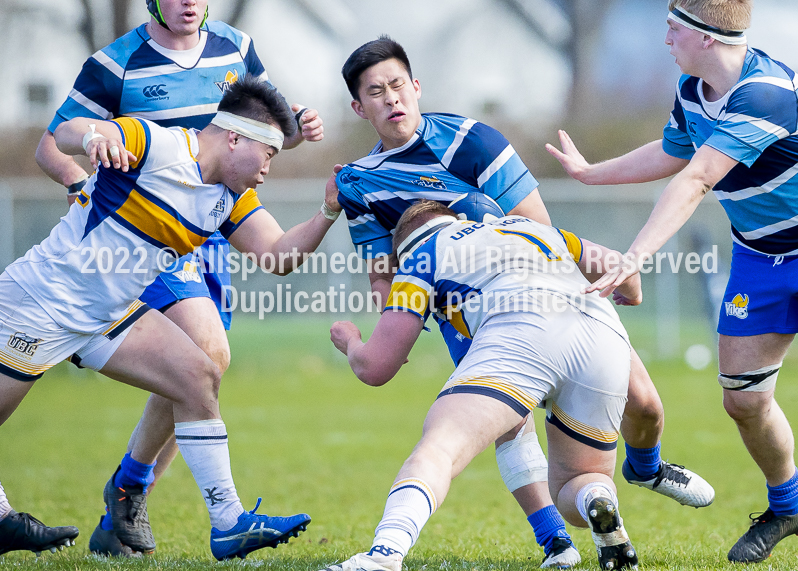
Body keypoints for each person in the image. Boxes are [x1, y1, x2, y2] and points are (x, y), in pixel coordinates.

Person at [334, 36, 713, 567]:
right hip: (532, 289)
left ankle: (645, 468)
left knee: (643, 404)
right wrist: (406, 313)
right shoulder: (356, 182)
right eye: (376, 92)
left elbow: (536, 222)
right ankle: (557, 540)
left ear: (416, 86)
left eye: (398, 85)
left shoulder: (471, 139)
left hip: (526, 291)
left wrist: (367, 335)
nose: (392, 98)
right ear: (360, 107)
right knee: (510, 424)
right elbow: (382, 272)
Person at [0, 75, 341, 561]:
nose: (268, 170)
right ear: (235, 137)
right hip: (39, 302)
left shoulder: (230, 196)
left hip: (109, 316)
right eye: (268, 156)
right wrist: (96, 137)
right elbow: (66, 131)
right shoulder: (156, 143)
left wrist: (327, 211)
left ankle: (228, 522)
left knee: (198, 373)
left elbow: (277, 255)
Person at [546, 0, 798, 563]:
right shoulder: (693, 91)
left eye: (674, 26)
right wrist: (592, 175)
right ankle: (790, 507)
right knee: (745, 402)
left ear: (707, 38)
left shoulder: (767, 94)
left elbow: (698, 178)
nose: (665, 36)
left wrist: (634, 255)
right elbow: (673, 152)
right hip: (759, 259)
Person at [322, 200, 643, 571]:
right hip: (605, 339)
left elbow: (376, 367)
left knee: (440, 448)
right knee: (580, 479)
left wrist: (349, 339)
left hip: (523, 329)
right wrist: (631, 295)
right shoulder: (530, 227)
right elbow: (625, 273)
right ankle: (596, 499)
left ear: (402, 249)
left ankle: (385, 553)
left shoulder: (421, 255)